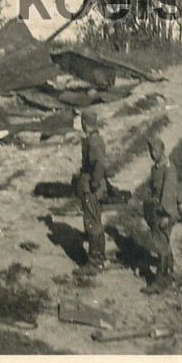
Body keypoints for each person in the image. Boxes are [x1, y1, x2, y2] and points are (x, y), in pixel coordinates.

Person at [142, 136, 182, 293]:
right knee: (164, 242)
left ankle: (160, 281)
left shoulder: (168, 168)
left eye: (155, 150)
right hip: (156, 210)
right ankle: (169, 273)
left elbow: (168, 192)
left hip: (164, 212)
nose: (152, 153)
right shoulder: (156, 167)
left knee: (161, 244)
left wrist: (166, 215)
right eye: (150, 150)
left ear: (163, 150)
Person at [77, 111, 108, 272]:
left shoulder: (94, 141)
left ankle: (94, 262)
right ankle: (99, 258)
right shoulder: (95, 139)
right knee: (96, 222)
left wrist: (93, 184)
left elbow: (99, 165)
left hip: (92, 188)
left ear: (83, 123)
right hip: (92, 186)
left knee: (92, 224)